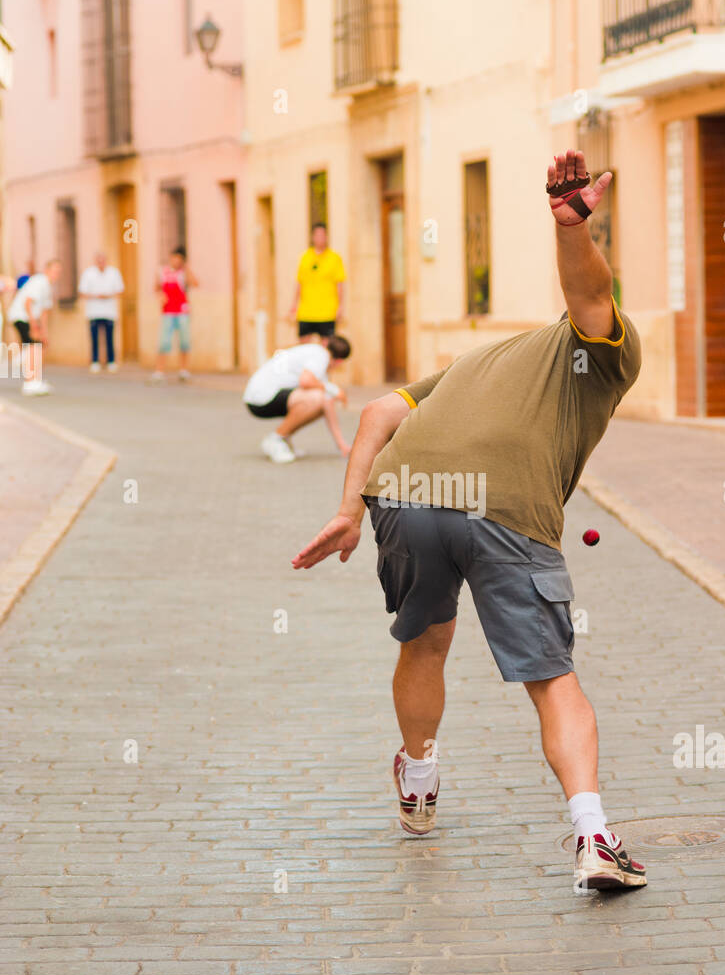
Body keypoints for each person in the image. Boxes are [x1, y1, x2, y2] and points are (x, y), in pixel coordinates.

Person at [293, 150, 647, 895]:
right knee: (553, 680)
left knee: (426, 644)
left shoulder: (481, 357)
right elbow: (590, 288)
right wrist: (572, 228)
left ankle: (417, 778)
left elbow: (379, 412)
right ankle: (592, 838)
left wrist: (348, 511)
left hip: (407, 493)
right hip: (505, 508)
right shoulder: (605, 345)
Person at [244, 335, 352, 464]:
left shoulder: (316, 357)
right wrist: (334, 389)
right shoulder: (321, 355)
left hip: (261, 397)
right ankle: (275, 440)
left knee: (321, 401)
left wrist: (341, 445)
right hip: (261, 398)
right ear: (340, 361)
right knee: (316, 398)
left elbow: (328, 404)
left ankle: (283, 440)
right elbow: (305, 381)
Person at [8, 260, 62, 397]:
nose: (56, 274)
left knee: (40, 345)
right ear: (47, 270)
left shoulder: (48, 286)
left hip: (30, 318)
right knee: (33, 347)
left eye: (59, 272)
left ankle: (36, 380)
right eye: (54, 271)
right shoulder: (40, 281)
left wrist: (44, 332)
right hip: (21, 316)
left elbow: (44, 312)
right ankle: (29, 383)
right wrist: (33, 325)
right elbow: (27, 303)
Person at [290, 224, 346, 340]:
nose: (320, 238)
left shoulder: (334, 258)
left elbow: (339, 284)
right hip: (306, 311)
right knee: (304, 345)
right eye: (317, 235)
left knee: (327, 345)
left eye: (323, 235)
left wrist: (340, 306)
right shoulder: (305, 257)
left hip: (327, 311)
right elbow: (300, 282)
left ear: (326, 237)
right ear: (313, 237)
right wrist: (294, 305)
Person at [153, 247, 198, 381]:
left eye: (179, 259)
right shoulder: (162, 272)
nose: (176, 261)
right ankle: (159, 371)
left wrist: (187, 268)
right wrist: (160, 296)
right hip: (168, 312)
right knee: (163, 342)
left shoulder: (184, 273)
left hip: (182, 311)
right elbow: (156, 288)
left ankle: (183, 370)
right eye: (174, 258)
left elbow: (195, 283)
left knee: (185, 342)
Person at [78, 251, 124, 373]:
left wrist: (108, 295)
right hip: (94, 312)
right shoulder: (88, 273)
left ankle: (111, 361)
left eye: (103, 260)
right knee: (94, 338)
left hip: (109, 312)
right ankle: (95, 361)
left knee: (110, 338)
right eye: (99, 260)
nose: (101, 263)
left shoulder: (114, 273)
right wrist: (96, 296)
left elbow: (120, 290)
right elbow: (82, 292)